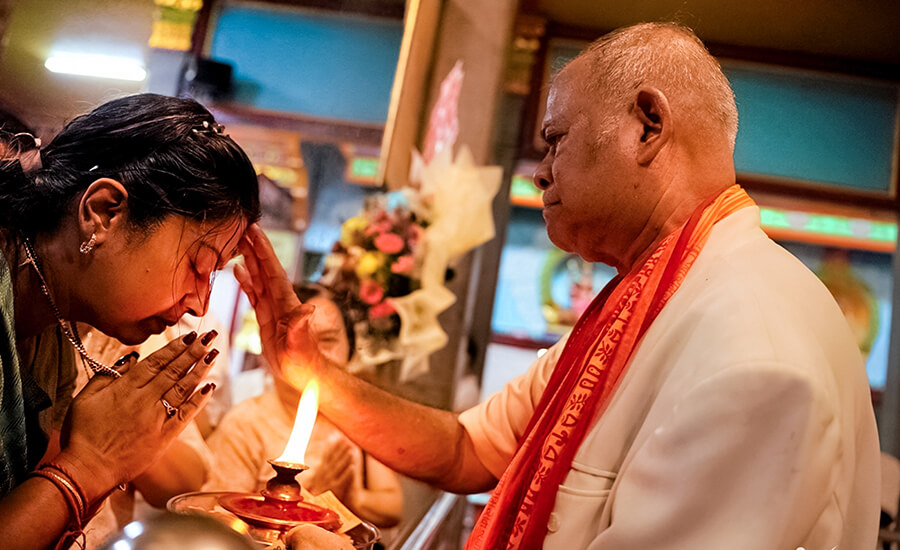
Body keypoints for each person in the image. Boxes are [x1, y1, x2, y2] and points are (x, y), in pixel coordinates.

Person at [235, 22, 880, 549]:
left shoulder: (750, 347)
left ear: (647, 126)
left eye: (554, 141)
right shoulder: (643, 303)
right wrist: (310, 370)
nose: (539, 174)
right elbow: (465, 449)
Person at [0, 93, 260, 549]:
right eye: (199, 265)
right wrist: (91, 464)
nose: (200, 305)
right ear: (103, 212)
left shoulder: (55, 329)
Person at [204, 284, 403, 529]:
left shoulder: (356, 418)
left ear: (350, 349)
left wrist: (353, 498)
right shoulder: (245, 424)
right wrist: (313, 496)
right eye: (298, 340)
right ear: (270, 348)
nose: (314, 353)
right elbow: (220, 525)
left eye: (328, 340)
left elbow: (392, 507)